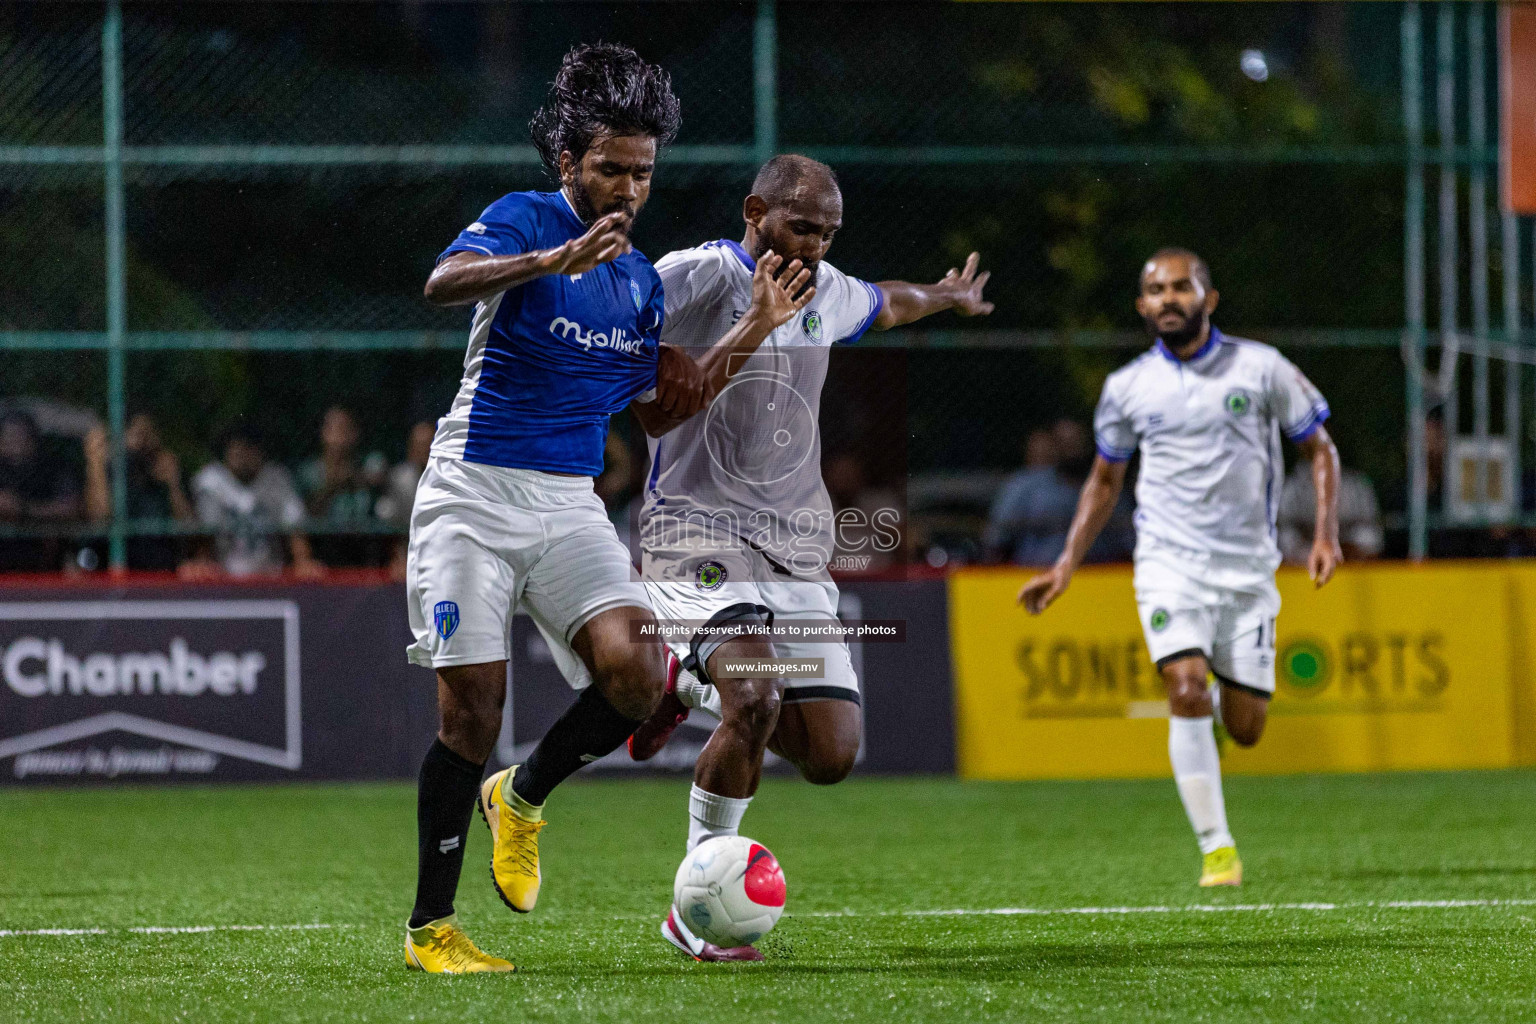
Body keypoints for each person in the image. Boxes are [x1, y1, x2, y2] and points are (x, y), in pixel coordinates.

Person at [402, 44, 811, 974]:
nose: (628, 187)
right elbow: (441, 282)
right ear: (568, 164)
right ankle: (432, 928)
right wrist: (551, 257)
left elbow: (663, 408)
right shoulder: (523, 221)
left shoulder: (637, 286)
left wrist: (753, 327)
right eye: (610, 168)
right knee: (472, 712)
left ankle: (523, 796)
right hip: (473, 491)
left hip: (567, 502)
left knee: (636, 678)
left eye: (642, 172)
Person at [624, 154, 994, 961]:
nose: (817, 247)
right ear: (755, 209)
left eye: (829, 233)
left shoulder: (824, 289)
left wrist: (946, 295)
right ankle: (696, 910)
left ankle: (689, 678)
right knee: (754, 701)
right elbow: (653, 413)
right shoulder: (691, 278)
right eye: (802, 226)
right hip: (695, 533)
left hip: (794, 547)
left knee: (830, 754)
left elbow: (888, 304)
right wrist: (750, 322)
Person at [1018, 249, 1342, 888]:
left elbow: (1321, 449)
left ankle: (1217, 720)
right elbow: (1105, 481)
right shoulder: (1127, 387)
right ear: (1142, 305)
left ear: (1208, 298)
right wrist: (1065, 565)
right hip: (1168, 563)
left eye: (1181, 287)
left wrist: (1324, 536)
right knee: (1185, 689)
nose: (1169, 298)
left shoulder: (1262, 367)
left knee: (1246, 729)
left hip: (1249, 571)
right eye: (1156, 290)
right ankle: (1217, 848)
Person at [985, 419, 1134, 566]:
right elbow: (996, 542)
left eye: (1076, 443)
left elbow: (1130, 544)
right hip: (1033, 575)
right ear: (1053, 446)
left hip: (1097, 579)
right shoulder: (1025, 488)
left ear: (1090, 445)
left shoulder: (1108, 488)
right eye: (1064, 443)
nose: (1071, 450)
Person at [189, 424, 325, 579]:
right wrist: (202, 562)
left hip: (270, 577)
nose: (242, 454)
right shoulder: (211, 480)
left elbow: (295, 527)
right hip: (223, 577)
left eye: (249, 448)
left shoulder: (277, 478)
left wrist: (303, 560)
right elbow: (205, 533)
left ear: (260, 452)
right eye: (236, 447)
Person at [83, 414, 195, 571]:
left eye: (149, 434)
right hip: (117, 570)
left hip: (162, 570)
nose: (144, 441)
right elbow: (99, 519)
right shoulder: (109, 473)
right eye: (138, 434)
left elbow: (189, 529)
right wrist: (95, 464)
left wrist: (173, 485)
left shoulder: (165, 475)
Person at [0, 410, 80, 572]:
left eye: (21, 435)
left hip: (42, 554)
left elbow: (72, 508)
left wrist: (24, 509)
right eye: (8, 435)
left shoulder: (51, 468)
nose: (15, 441)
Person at [1278, 460, 1382, 564]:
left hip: (1349, 551)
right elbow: (1285, 530)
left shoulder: (1355, 482)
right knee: (1286, 541)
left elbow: (1370, 529)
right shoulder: (1293, 484)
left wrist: (1345, 549)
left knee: (1367, 538)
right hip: (1306, 553)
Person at [377, 421, 435, 580]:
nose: (424, 451)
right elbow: (391, 526)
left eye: (428, 445)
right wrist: (401, 560)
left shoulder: (449, 478)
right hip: (407, 553)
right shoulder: (399, 479)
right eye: (419, 445)